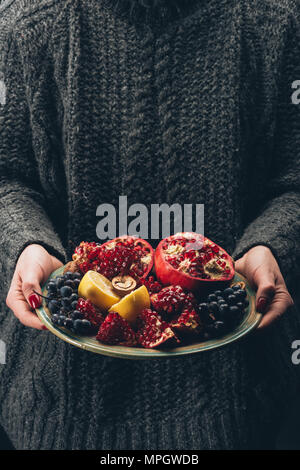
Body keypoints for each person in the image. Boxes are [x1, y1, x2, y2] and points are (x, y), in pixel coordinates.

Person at [0, 0, 299, 450]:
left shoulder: (276, 21)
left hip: (237, 404)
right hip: (60, 409)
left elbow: (293, 179)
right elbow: (8, 175)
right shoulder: (27, 21)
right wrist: (25, 243)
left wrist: (273, 243)